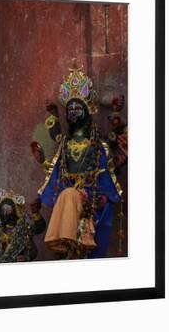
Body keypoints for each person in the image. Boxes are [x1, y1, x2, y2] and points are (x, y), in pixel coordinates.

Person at [32, 66, 126, 259]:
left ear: (87, 110)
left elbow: (105, 173)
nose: (73, 113)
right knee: (68, 246)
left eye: (78, 108)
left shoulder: (98, 145)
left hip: (92, 200)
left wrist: (105, 197)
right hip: (69, 203)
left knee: (91, 249)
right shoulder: (65, 144)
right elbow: (56, 173)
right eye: (70, 109)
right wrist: (42, 198)